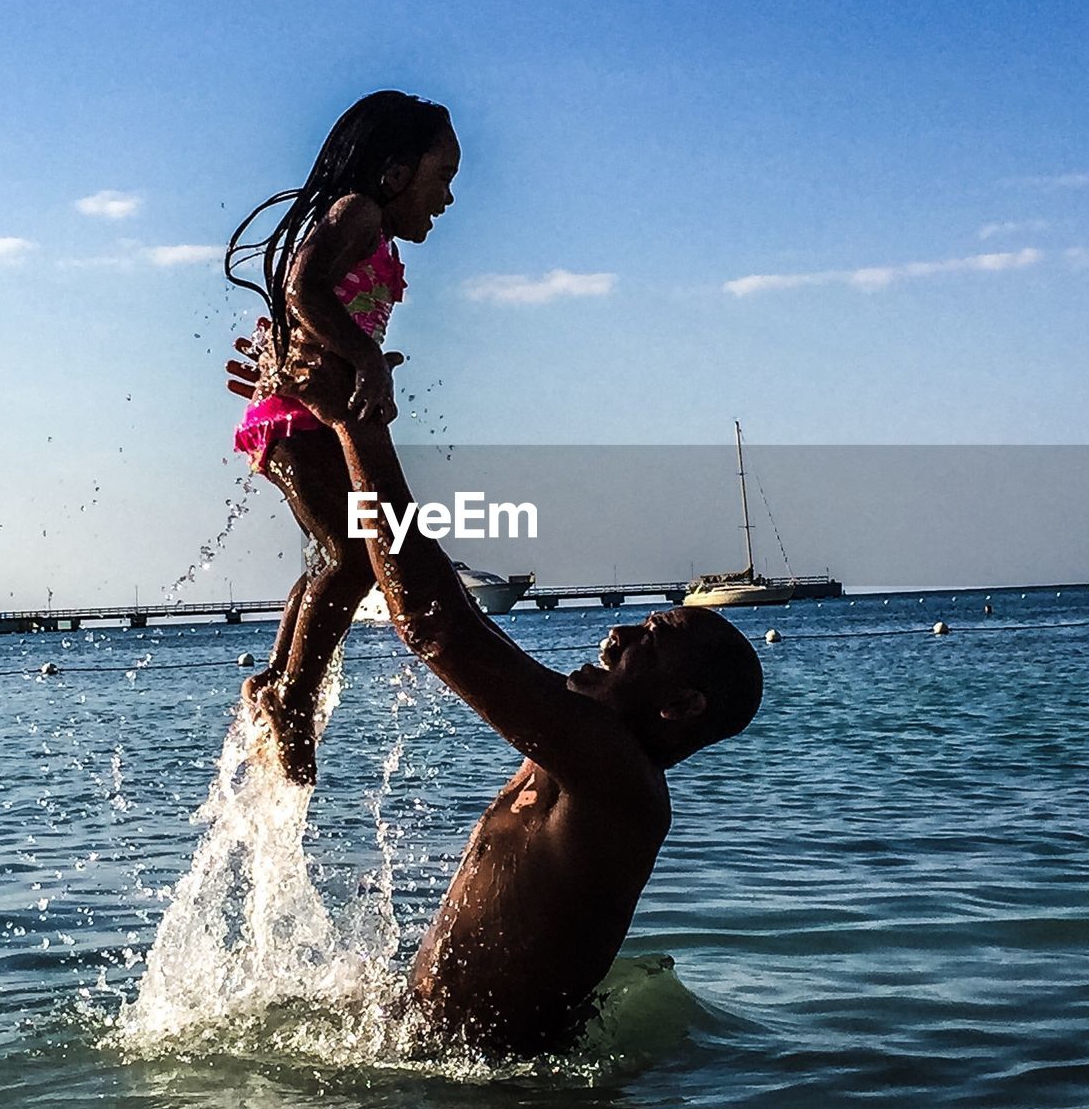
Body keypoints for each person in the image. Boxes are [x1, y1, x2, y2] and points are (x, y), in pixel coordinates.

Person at [226, 342, 764, 1058]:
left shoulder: (613, 777)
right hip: (455, 1070)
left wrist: (358, 423)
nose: (620, 629)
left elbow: (439, 626)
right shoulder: (584, 753)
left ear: (681, 706)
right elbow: (448, 607)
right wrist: (310, 430)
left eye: (651, 635)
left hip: (499, 1102)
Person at [224, 90, 460, 783]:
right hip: (293, 418)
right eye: (440, 178)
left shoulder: (372, 229)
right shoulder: (356, 212)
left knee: (335, 557)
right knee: (356, 559)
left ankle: (276, 680)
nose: (447, 199)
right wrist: (362, 363)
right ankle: (289, 698)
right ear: (394, 174)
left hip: (310, 417)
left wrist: (363, 364)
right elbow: (302, 289)